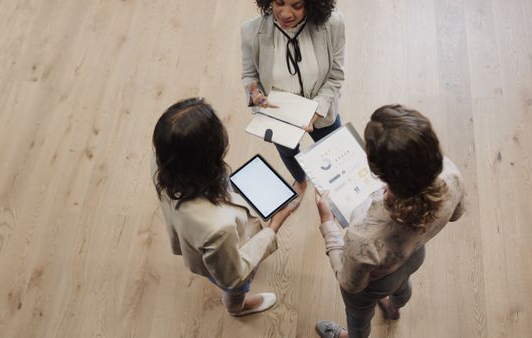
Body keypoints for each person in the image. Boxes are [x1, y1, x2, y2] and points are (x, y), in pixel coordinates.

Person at [313, 105, 466, 338]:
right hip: (414, 256)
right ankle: (395, 307)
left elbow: (350, 283)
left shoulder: (365, 235)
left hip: (374, 284)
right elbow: (456, 214)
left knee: (358, 317)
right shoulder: (450, 172)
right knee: (402, 285)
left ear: (377, 171)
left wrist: (327, 224)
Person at [151, 98, 294, 316]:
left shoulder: (161, 161)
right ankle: (238, 307)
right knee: (237, 287)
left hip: (195, 236)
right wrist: (273, 227)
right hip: (224, 260)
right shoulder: (218, 228)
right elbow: (232, 275)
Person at [241, 0, 345, 203]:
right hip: (279, 114)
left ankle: (337, 190)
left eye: (297, 6)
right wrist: (255, 93)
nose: (286, 13)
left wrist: (318, 109)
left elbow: (336, 76)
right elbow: (249, 75)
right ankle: (300, 181)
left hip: (323, 111)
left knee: (333, 152)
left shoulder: (333, 24)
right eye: (279, 3)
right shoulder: (250, 31)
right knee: (288, 152)